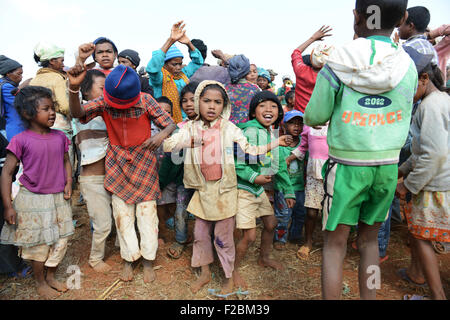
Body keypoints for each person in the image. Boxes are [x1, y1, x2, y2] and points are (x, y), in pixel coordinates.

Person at [304, 0, 417, 300]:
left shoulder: (339, 59)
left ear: (357, 16)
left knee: (334, 244)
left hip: (346, 166)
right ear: (403, 17)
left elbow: (314, 116)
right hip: (387, 167)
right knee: (369, 243)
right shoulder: (407, 65)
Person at [163, 80, 292, 295]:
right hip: (202, 192)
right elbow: (168, 145)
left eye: (217, 102)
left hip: (225, 193)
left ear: (225, 105)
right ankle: (204, 273)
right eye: (206, 101)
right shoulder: (190, 128)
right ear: (198, 102)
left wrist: (276, 143)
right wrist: (187, 142)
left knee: (224, 239)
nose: (212, 106)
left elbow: (250, 150)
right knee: (201, 235)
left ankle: (228, 277)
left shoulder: (230, 128)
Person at [67, 63, 177, 283]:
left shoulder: (146, 100)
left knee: (147, 216)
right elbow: (78, 113)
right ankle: (129, 259)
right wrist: (73, 89)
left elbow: (170, 124)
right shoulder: (105, 101)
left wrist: (160, 136)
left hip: (144, 162)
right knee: (122, 216)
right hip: (117, 164)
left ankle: (147, 261)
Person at [0, 86, 74, 299]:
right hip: (32, 200)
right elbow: (6, 174)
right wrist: (8, 205)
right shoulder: (20, 140)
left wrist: (68, 181)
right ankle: (40, 282)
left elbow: (66, 161)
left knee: (61, 240)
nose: (52, 113)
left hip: (58, 197)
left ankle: (51, 276)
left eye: (53, 108)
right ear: (27, 113)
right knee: (38, 244)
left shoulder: (60, 137)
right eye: (46, 109)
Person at [396, 58, 449, 300]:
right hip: (439, 180)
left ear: (424, 79)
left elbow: (434, 154)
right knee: (420, 233)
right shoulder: (441, 101)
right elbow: (421, 150)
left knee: (422, 238)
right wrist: (403, 170)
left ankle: (437, 296)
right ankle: (416, 274)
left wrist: (408, 184)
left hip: (434, 185)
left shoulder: (429, 107)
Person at [233, 91, 295, 289]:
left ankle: (264, 258)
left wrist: (288, 190)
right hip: (244, 189)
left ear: (279, 112)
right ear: (252, 113)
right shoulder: (250, 131)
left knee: (271, 223)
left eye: (274, 106)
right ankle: (232, 271)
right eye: (262, 105)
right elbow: (237, 164)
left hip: (257, 190)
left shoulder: (270, 133)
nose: (269, 109)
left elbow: (278, 165)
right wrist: (255, 177)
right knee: (249, 236)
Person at [74, 69, 113, 273]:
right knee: (103, 223)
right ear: (86, 91)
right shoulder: (83, 115)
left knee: (116, 218)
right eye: (102, 88)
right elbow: (75, 108)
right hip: (93, 180)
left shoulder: (110, 111)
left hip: (114, 176)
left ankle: (118, 248)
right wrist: (74, 85)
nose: (107, 92)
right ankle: (95, 259)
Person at [159, 82, 199, 259]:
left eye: (193, 99)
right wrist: (162, 181)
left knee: (203, 214)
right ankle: (181, 239)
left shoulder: (213, 126)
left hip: (206, 180)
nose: (189, 104)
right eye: (185, 100)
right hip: (184, 180)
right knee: (181, 211)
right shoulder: (179, 128)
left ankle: (203, 242)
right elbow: (173, 158)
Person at [146, 21, 204, 124]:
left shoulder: (183, 74)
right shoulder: (159, 78)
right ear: (164, 64)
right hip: (164, 121)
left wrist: (189, 43)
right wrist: (171, 40)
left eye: (180, 63)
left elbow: (198, 62)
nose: (178, 67)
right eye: (174, 64)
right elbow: (152, 69)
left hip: (185, 121)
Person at [286, 122, 329, 260]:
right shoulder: (309, 126)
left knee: (331, 211)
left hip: (333, 172)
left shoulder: (336, 123)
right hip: (313, 174)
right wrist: (289, 159)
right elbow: (303, 146)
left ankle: (331, 244)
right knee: (311, 211)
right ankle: (308, 242)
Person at [274, 110, 307, 250]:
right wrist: (287, 191)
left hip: (299, 187)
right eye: (292, 123)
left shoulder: (304, 144)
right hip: (283, 188)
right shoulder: (279, 145)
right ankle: (280, 239)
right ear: (284, 125)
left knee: (300, 213)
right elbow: (279, 170)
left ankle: (295, 235)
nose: (296, 126)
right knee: (283, 215)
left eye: (300, 123)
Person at [291, 26, 333, 113]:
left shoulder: (301, 70)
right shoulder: (331, 77)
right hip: (320, 120)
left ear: (311, 57)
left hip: (299, 118)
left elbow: (296, 52)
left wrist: (313, 38)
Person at [225, 55, 260, 125]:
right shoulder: (255, 89)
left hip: (227, 130)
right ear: (247, 70)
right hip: (247, 129)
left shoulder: (223, 88)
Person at [0, 55, 24, 140]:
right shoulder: (6, 87)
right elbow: (21, 103)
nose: (21, 77)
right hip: (17, 129)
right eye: (19, 74)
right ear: (8, 73)